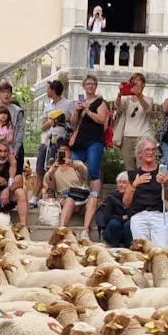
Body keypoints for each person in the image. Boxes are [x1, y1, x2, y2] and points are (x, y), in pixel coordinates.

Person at [69, 75, 108, 236]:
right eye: (88, 84)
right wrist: (78, 111)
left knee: (93, 169)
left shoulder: (100, 102)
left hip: (95, 140)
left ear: (96, 86)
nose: (90, 86)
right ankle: (75, 196)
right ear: (84, 86)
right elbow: (73, 122)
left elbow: (101, 119)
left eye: (92, 83)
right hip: (81, 140)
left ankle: (95, 196)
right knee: (75, 167)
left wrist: (87, 110)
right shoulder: (80, 102)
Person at [33, 79, 75, 206]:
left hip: (61, 141)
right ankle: (34, 197)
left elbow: (73, 123)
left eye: (48, 89)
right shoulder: (48, 107)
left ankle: (54, 197)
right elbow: (43, 127)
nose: (47, 91)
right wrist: (51, 122)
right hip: (47, 140)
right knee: (40, 169)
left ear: (54, 90)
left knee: (56, 169)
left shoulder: (68, 104)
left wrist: (63, 119)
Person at [124, 137, 168, 246]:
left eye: (153, 149)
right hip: (139, 216)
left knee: (161, 251)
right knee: (142, 253)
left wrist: (166, 184)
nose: (150, 152)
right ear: (140, 153)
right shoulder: (133, 174)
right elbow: (126, 203)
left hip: (159, 215)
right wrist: (134, 185)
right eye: (147, 150)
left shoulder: (164, 170)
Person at [48, 145, 92, 237]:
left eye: (65, 150)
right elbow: (48, 184)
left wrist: (73, 165)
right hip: (65, 197)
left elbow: (85, 173)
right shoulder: (54, 167)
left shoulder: (77, 163)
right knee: (69, 201)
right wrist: (52, 172)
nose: (63, 152)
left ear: (70, 153)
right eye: (61, 150)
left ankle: (85, 231)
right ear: (57, 153)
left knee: (93, 199)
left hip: (80, 196)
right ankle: (61, 230)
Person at [112, 72, 151, 170]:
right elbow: (117, 106)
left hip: (143, 136)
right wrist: (120, 95)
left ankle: (141, 185)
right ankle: (132, 185)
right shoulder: (127, 99)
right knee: (129, 167)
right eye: (133, 80)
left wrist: (138, 96)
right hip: (127, 137)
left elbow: (147, 109)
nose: (135, 82)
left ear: (143, 84)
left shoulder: (148, 99)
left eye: (138, 80)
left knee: (142, 166)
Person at [0, 81, 25, 169]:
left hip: (11, 148)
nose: (6, 95)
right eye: (3, 92)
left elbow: (20, 131)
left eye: (8, 92)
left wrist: (16, 149)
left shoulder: (17, 111)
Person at [98, 171, 132, 247]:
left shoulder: (134, 197)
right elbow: (107, 218)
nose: (121, 185)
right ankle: (114, 247)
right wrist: (122, 217)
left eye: (124, 182)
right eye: (119, 182)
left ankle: (129, 248)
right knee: (114, 223)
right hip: (112, 232)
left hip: (127, 232)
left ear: (130, 184)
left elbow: (134, 214)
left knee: (129, 224)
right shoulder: (111, 198)